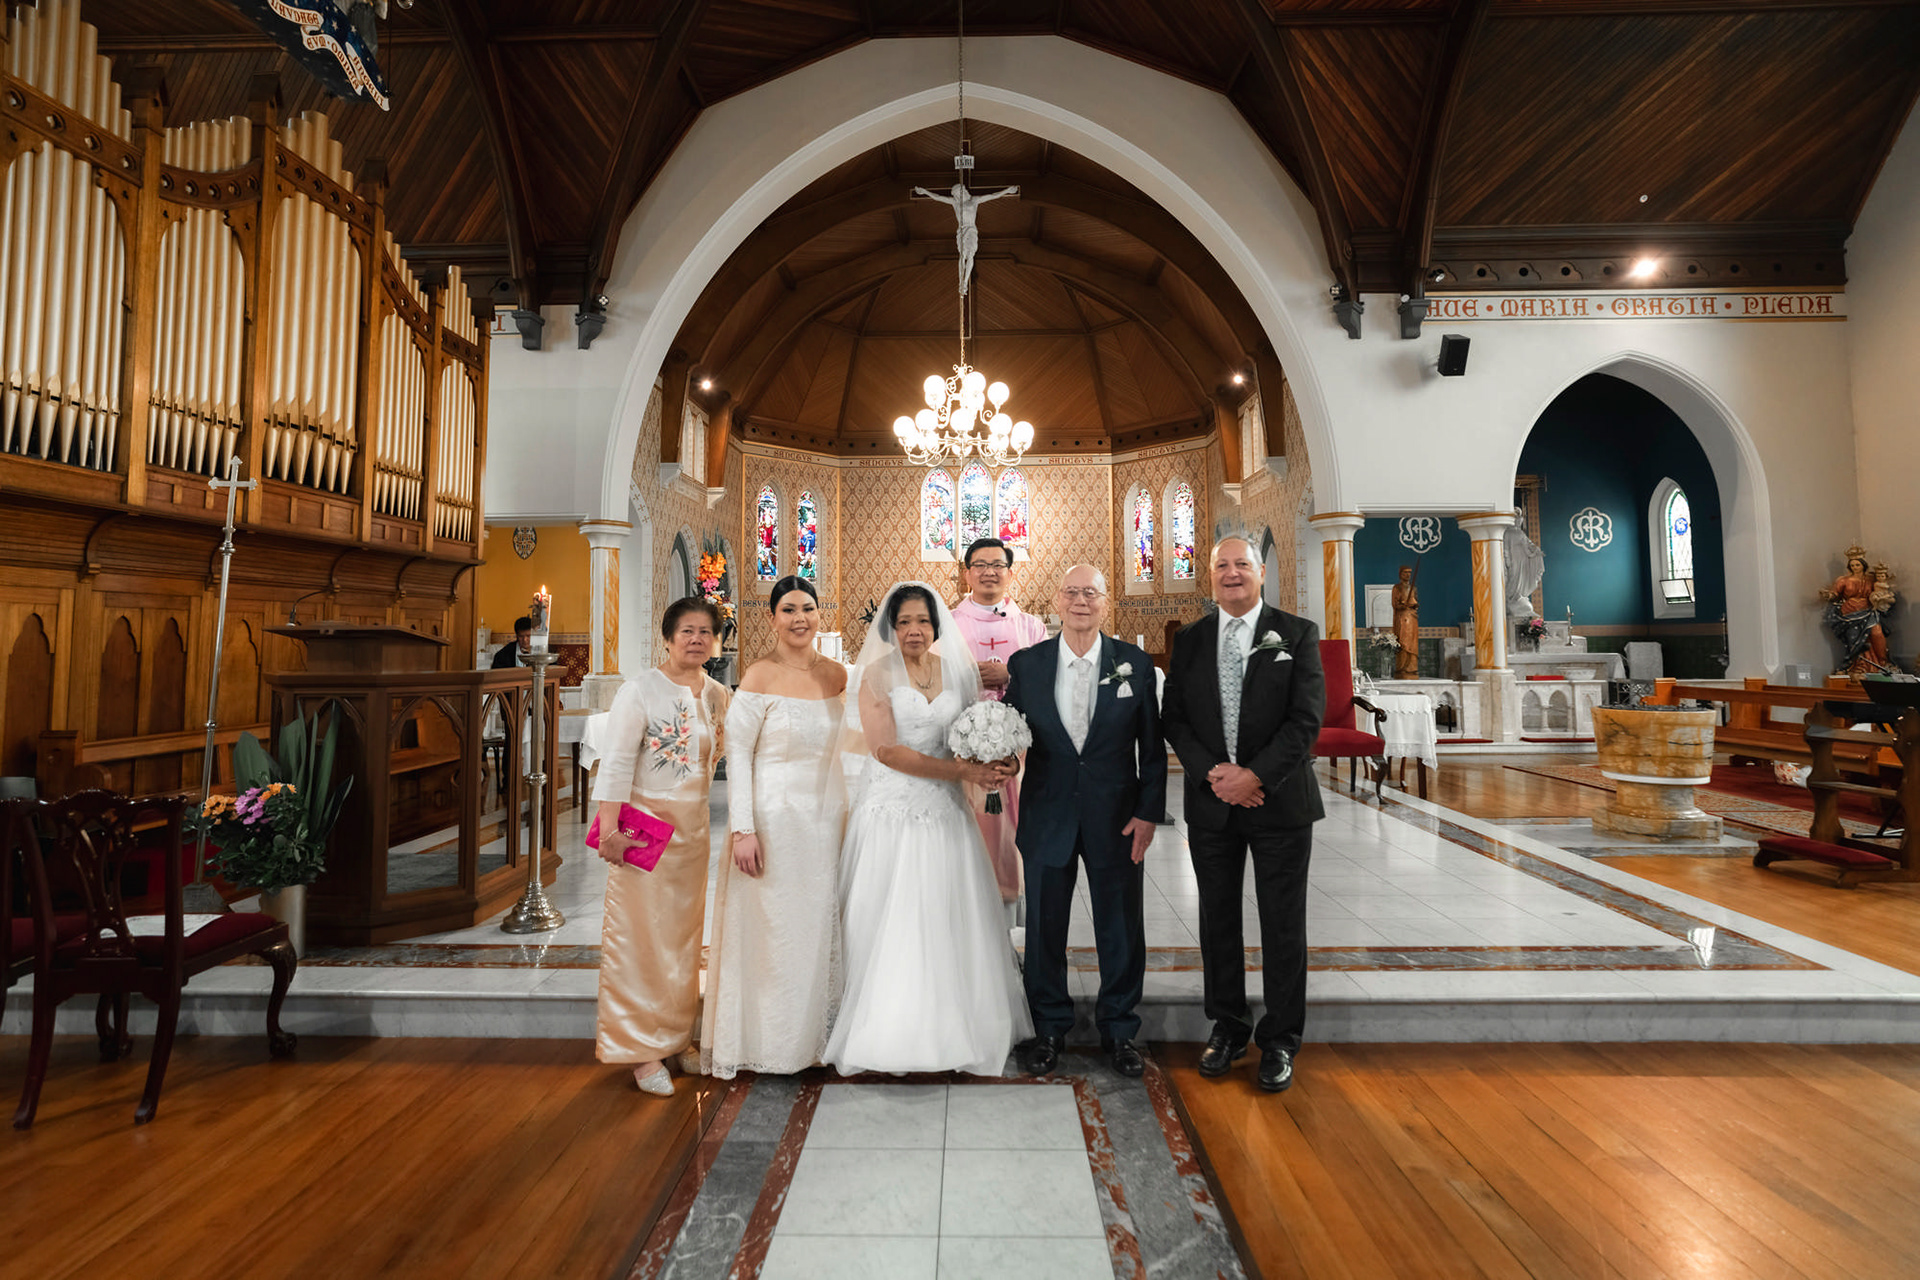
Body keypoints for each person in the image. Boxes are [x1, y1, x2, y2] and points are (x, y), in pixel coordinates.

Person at [826, 582, 1032, 1075]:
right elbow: (886, 751)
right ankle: (890, 1028)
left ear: (936, 626)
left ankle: (960, 1023)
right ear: (891, 629)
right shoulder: (876, 675)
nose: (914, 630)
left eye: (922, 621)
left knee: (948, 909)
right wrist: (962, 772)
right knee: (897, 915)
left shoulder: (956, 672)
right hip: (894, 810)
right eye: (904, 623)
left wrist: (997, 759)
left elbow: (976, 728)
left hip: (947, 811)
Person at [1161, 535, 1325, 1093]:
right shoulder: (1190, 639)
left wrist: (1254, 776)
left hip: (1281, 802)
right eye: (1221, 566)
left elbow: (1306, 719)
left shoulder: (1297, 633)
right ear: (1210, 576)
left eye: (1241, 564)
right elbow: (1174, 718)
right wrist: (1216, 774)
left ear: (1261, 573)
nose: (1231, 573)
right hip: (1213, 804)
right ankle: (1228, 1027)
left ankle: (1280, 1039)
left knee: (1283, 923)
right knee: (1218, 921)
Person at [1003, 565, 1165, 1078]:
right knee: (1044, 927)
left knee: (1120, 926)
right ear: (1057, 601)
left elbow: (1152, 748)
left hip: (1116, 816)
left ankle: (1120, 1030)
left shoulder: (1133, 663)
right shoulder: (1027, 664)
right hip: (1047, 812)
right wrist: (996, 762)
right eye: (1071, 592)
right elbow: (1010, 732)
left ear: (1105, 602)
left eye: (1090, 593)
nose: (1080, 601)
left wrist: (1148, 812)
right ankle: (1049, 1028)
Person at [702, 576, 848, 1078]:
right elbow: (738, 755)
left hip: (828, 821)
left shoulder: (838, 676)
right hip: (773, 821)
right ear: (772, 619)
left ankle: (818, 1039)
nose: (799, 618)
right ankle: (772, 1043)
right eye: (788, 609)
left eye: (807, 608)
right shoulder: (759, 675)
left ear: (819, 615)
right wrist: (743, 829)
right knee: (775, 933)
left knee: (820, 929)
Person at [592, 597, 730, 1096]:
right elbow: (615, 762)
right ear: (668, 637)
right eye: (686, 630)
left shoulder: (717, 694)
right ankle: (640, 1050)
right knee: (641, 942)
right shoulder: (641, 690)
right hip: (644, 832)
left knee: (682, 944)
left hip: (692, 837)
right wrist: (611, 829)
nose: (696, 639)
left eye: (705, 632)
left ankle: (674, 1037)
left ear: (715, 641)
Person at [950, 536, 1047, 905]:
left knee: (1018, 833)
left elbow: (1047, 683)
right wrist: (968, 676)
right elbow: (933, 678)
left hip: (1022, 755)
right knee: (971, 832)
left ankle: (1014, 908)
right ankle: (972, 909)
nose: (988, 572)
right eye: (980, 565)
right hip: (964, 750)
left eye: (997, 565)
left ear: (1010, 573)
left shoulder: (1030, 627)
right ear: (966, 574)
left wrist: (1009, 674)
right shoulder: (948, 624)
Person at [1818, 548, 1892, 673]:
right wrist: (1827, 595)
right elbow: (1835, 594)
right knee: (1855, 640)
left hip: (1868, 612)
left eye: (1857, 565)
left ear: (1863, 565)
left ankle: (1883, 662)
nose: (1855, 567)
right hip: (1849, 614)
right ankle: (1860, 666)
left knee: (1877, 633)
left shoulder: (1871, 579)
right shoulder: (1843, 580)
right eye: (1852, 565)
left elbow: (1882, 589)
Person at [1391, 565, 1419, 679]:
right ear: (1400, 574)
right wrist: (1403, 605)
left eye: (1409, 573)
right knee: (1403, 643)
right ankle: (1402, 668)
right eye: (1405, 572)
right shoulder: (1397, 588)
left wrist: (1414, 605)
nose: (1407, 575)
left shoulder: (1413, 588)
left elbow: (1416, 602)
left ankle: (1412, 668)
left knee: (1412, 643)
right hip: (1402, 618)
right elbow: (1395, 604)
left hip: (1412, 617)